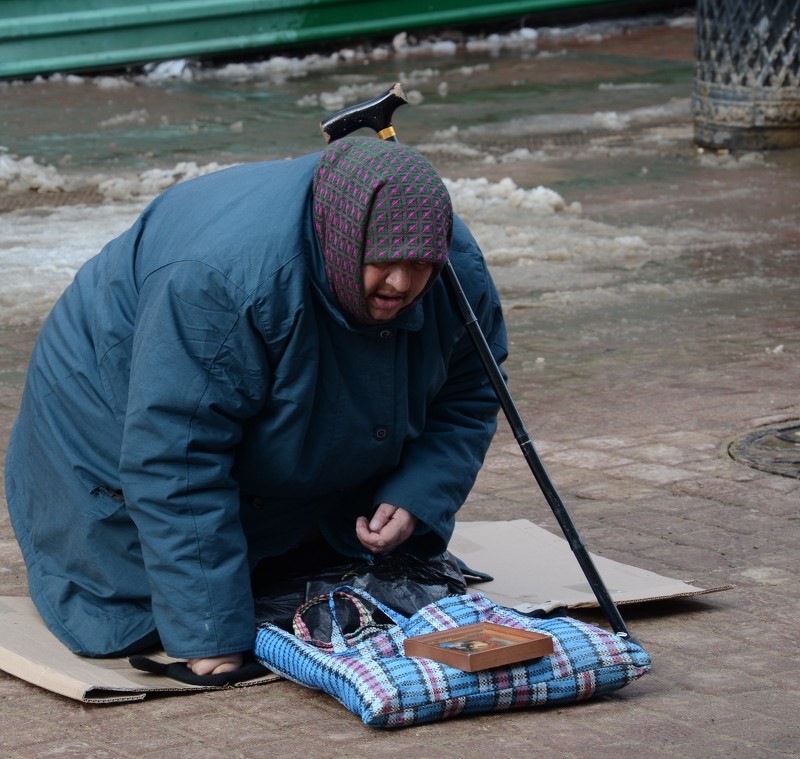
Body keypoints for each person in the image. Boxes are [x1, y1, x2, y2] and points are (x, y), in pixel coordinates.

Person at [5, 137, 507, 677]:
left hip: (245, 363)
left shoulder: (455, 266)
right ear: (341, 240)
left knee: (333, 571)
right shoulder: (224, 283)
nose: (402, 283)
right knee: (130, 605)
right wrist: (210, 635)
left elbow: (470, 394)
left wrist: (416, 495)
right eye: (384, 261)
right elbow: (176, 452)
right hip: (108, 414)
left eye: (419, 264)